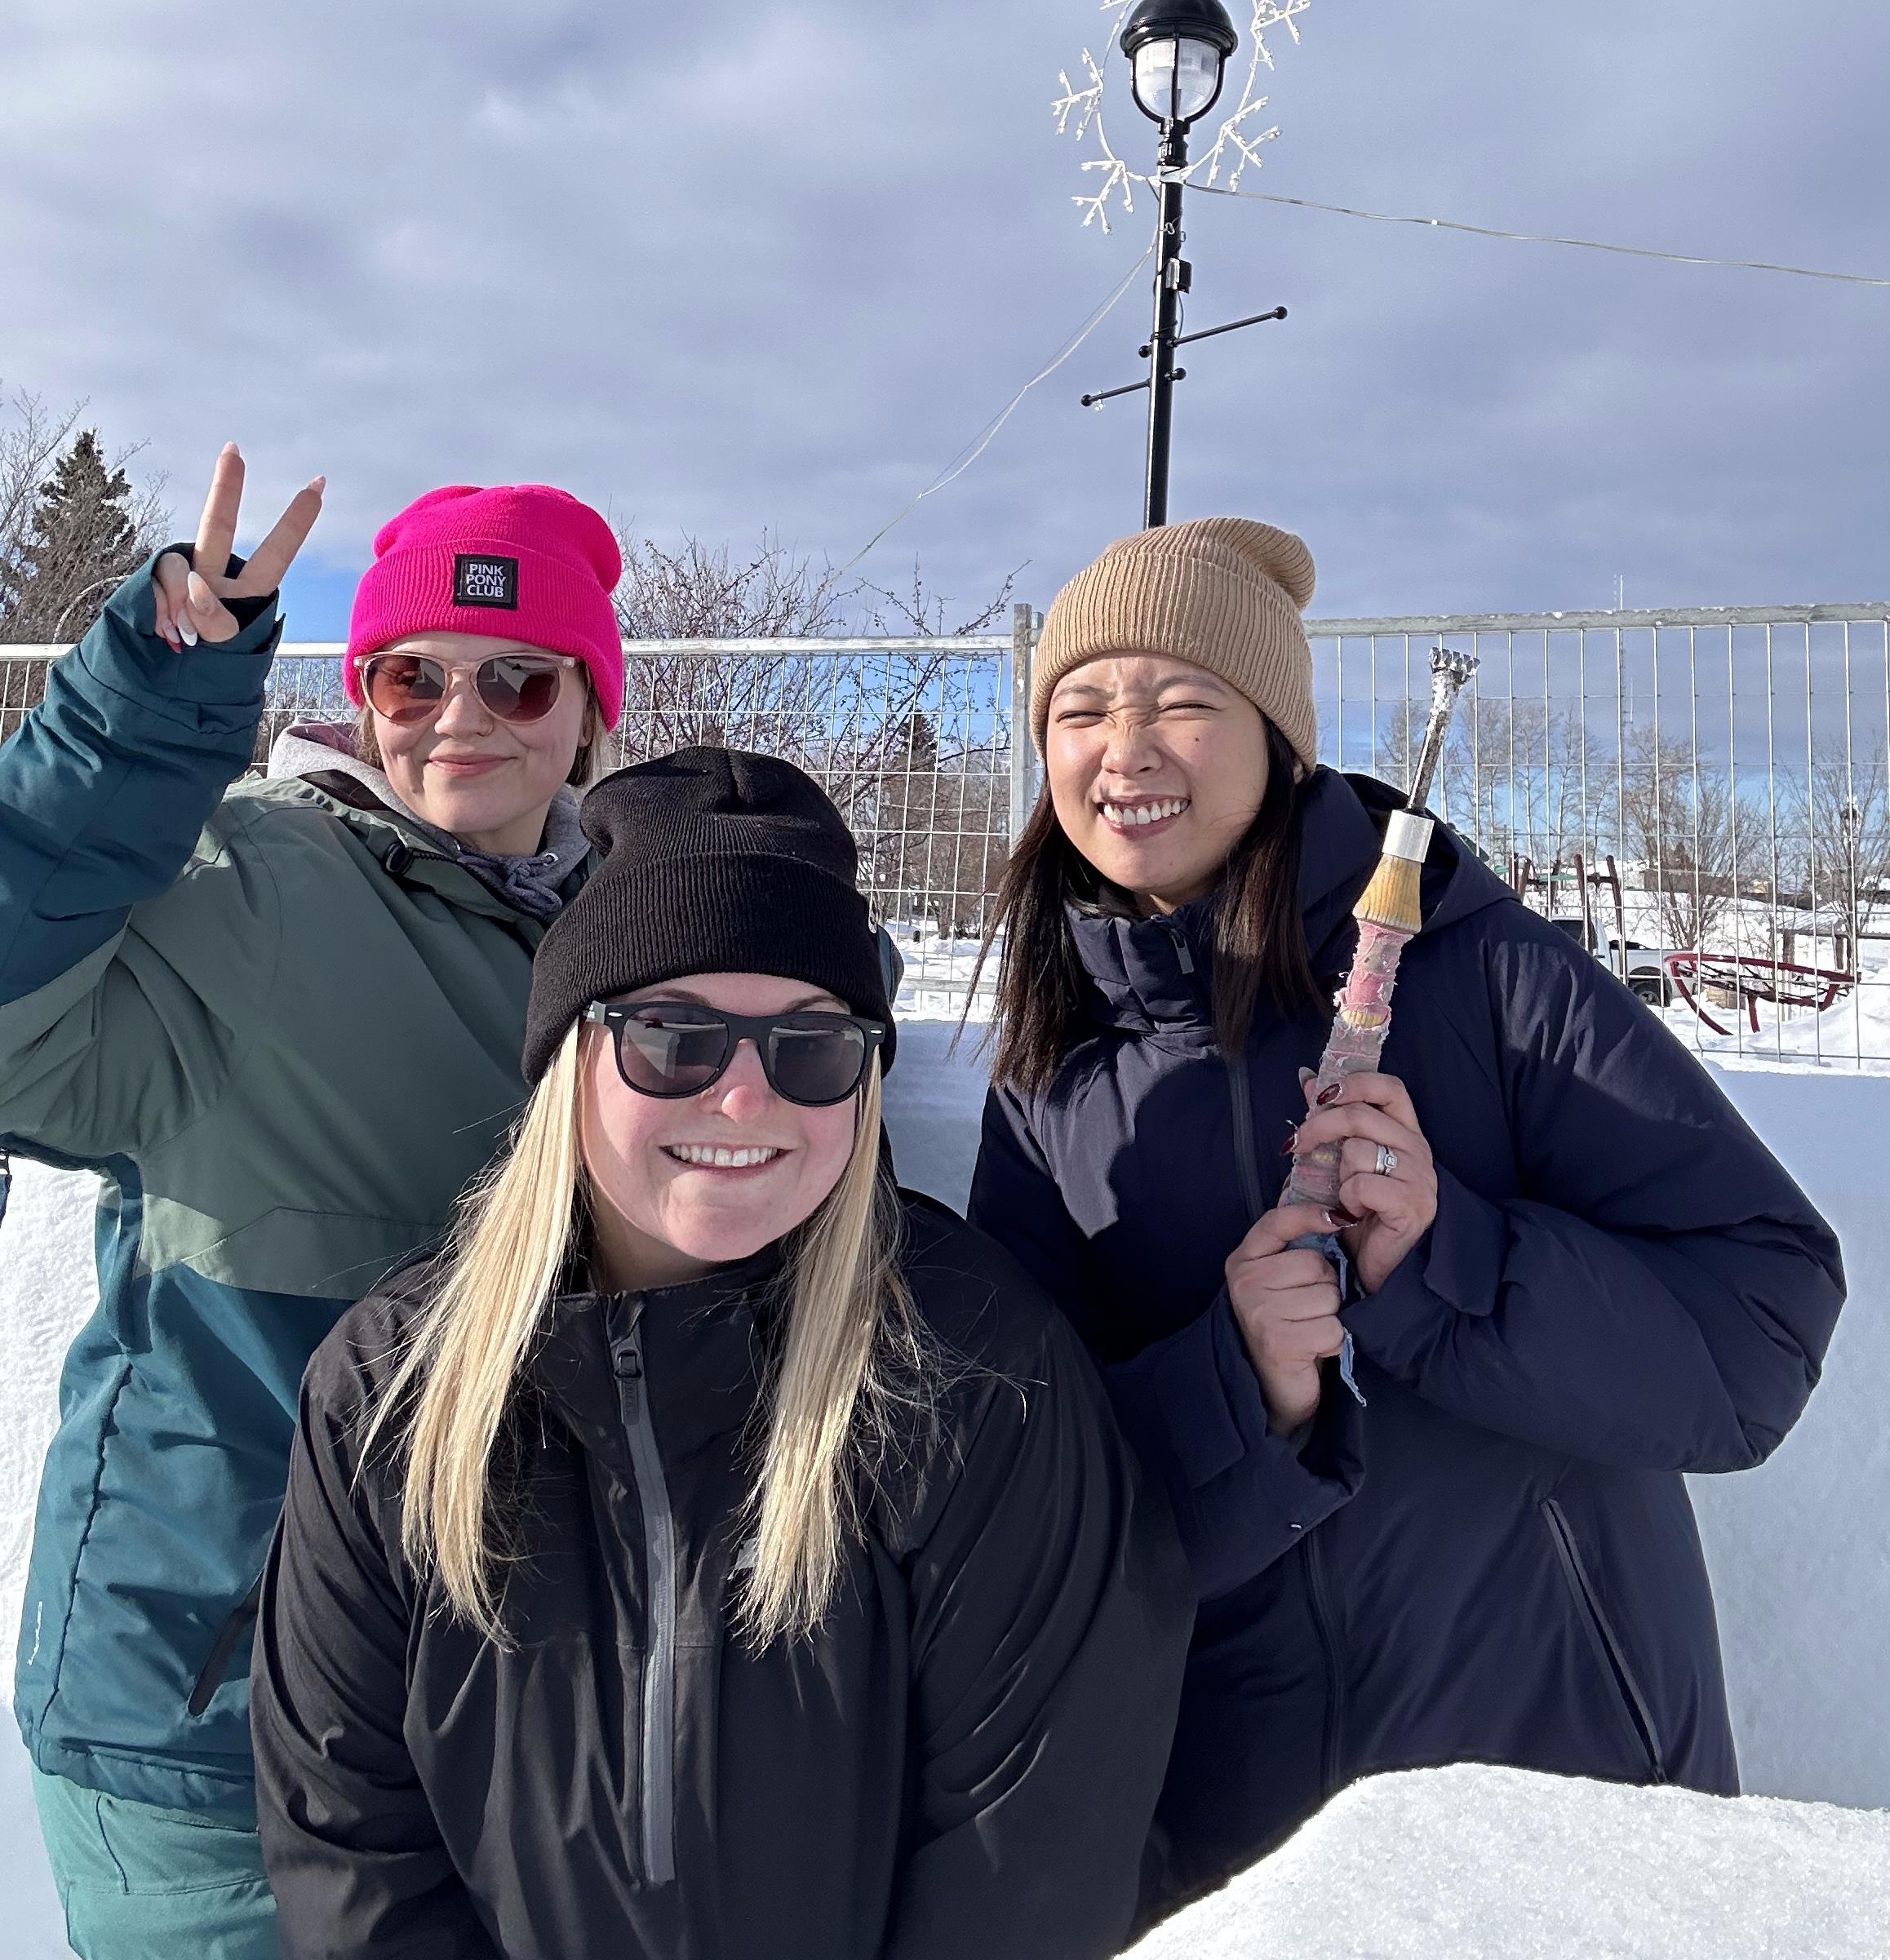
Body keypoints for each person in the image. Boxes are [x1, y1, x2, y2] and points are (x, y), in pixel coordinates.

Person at [966, 517, 1846, 1916]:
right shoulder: (1050, 1071)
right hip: (1235, 1823)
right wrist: (1240, 1387)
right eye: (1080, 710)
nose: (1124, 751)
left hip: (1557, 1783)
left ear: (1280, 739)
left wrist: (1449, 1265)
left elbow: (1759, 1330)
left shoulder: (1486, 976)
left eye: (1182, 701)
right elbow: (1027, 1484)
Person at [249, 746, 1192, 1960]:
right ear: (570, 1060)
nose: (745, 1099)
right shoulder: (391, 1392)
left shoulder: (971, 1368)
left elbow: (1036, 1858)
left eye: (811, 1046)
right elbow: (351, 1848)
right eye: (673, 1037)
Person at [0, 446, 625, 1960]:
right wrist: (145, 711)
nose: (461, 717)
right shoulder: (255, 876)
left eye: (518, 680)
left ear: (591, 714)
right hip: (217, 1727)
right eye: (414, 677)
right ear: (363, 697)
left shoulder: (627, 933)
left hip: (501, 1728)